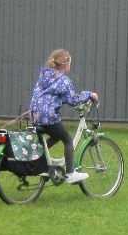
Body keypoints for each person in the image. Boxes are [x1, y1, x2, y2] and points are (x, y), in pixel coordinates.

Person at [30, 49, 97, 183]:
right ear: (66, 64)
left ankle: (39, 160)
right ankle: (70, 174)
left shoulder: (44, 76)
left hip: (35, 116)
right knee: (67, 139)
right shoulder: (63, 80)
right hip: (49, 117)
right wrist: (89, 94)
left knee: (55, 136)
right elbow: (73, 100)